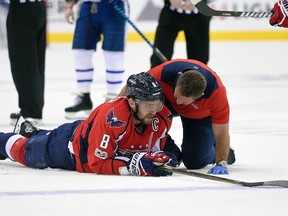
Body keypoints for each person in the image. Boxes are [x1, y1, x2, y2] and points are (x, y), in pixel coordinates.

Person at [0, 73, 180, 176]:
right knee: (26, 151)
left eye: (158, 103)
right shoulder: (113, 117)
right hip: (68, 148)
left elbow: (158, 147)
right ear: (132, 102)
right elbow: (97, 163)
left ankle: (33, 132)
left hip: (90, 131)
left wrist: (166, 157)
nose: (155, 110)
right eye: (149, 104)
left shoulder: (160, 116)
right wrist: (135, 167)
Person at [119, 59, 235, 175]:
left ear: (199, 96)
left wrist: (221, 162)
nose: (178, 101)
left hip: (199, 117)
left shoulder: (217, 93)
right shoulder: (163, 73)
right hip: (166, 104)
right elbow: (131, 90)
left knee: (194, 162)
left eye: (183, 101)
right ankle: (166, 145)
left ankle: (219, 151)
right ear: (177, 81)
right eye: (177, 95)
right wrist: (110, 111)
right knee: (141, 111)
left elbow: (222, 133)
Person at [64, 0, 129, 120]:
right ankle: (84, 97)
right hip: (87, 6)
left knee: (113, 54)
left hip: (113, 6)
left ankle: (113, 99)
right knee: (81, 51)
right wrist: (69, 5)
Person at [6, 0, 47, 125]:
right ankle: (34, 109)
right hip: (38, 7)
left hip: (22, 9)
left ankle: (31, 111)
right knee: (36, 62)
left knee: (23, 62)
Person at [150, 0, 212, 68]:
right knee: (159, 58)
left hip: (199, 17)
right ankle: (156, 77)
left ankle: (197, 76)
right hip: (170, 15)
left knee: (199, 61)